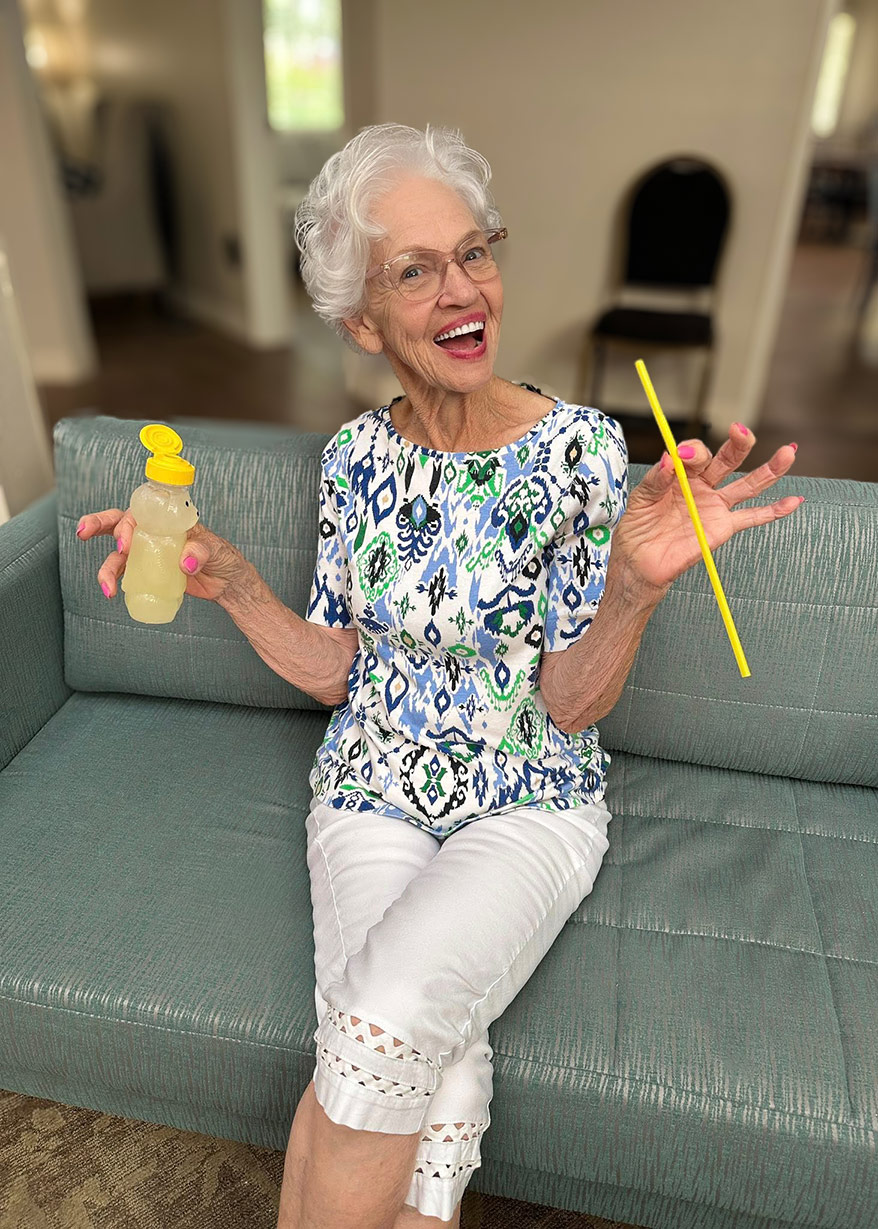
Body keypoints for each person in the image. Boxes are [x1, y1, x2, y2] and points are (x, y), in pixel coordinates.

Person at [76, 123, 802, 1229]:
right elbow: (342, 671)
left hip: (529, 799)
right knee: (431, 1072)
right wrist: (232, 584)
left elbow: (570, 703)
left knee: (376, 1021)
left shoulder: (581, 450)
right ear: (362, 322)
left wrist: (633, 587)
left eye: (472, 252)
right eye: (415, 270)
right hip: (369, 789)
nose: (462, 287)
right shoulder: (352, 459)